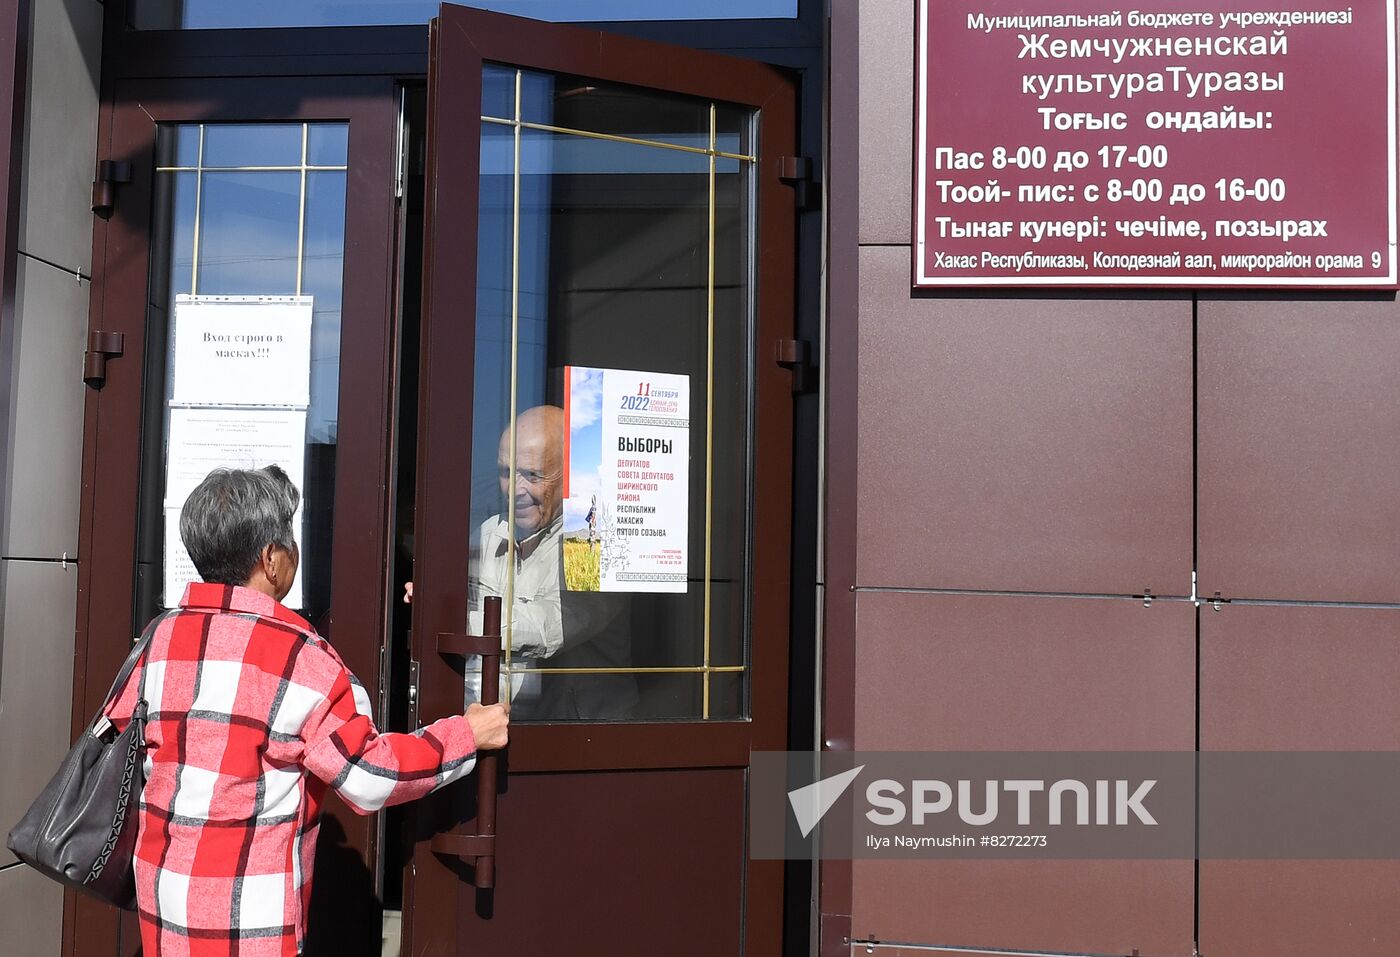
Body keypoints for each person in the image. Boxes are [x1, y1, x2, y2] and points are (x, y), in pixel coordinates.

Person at [104, 465, 509, 956]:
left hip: (163, 900)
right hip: (250, 920)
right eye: (290, 541)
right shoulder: (299, 656)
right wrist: (465, 734)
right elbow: (369, 776)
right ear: (271, 559)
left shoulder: (157, 639)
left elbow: (123, 743)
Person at [407, 405, 636, 719]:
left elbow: (551, 627)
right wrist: (429, 598)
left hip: (582, 737)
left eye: (533, 475)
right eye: (505, 472)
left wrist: (444, 617)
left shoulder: (595, 540)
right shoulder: (488, 533)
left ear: (568, 476)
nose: (515, 490)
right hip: (501, 725)